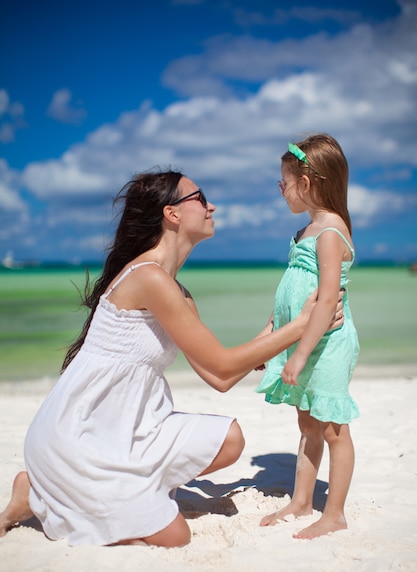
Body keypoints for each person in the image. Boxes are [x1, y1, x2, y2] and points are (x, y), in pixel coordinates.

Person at [0, 169, 344, 548]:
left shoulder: (178, 292)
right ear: (172, 214)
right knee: (175, 536)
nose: (211, 206)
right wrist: (301, 327)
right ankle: (37, 493)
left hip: (131, 430)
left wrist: (279, 326)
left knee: (229, 440)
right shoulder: (148, 277)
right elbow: (225, 365)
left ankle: (106, 491)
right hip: (81, 435)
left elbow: (220, 378)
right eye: (200, 198)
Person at [256, 134, 359, 539]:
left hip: (327, 343)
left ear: (308, 182)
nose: (280, 189)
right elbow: (292, 288)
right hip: (301, 339)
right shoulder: (307, 229)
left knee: (333, 426)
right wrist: (269, 337)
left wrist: (299, 355)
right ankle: (301, 501)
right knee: (308, 423)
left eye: (284, 181)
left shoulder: (331, 230)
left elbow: (327, 297)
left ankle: (334, 514)